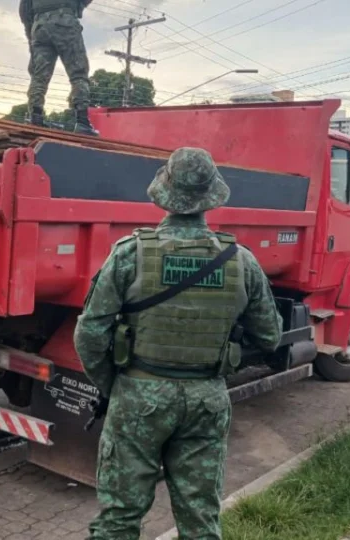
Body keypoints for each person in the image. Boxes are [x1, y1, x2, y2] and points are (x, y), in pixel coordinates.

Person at [74, 147, 283, 539]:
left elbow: (89, 336)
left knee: (119, 519)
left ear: (163, 191)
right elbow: (270, 336)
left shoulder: (129, 255)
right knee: (201, 521)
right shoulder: (241, 262)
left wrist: (115, 387)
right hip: (206, 399)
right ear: (211, 196)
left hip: (138, 396)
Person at [19, 0, 98, 136]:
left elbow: (24, 12)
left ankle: (35, 118)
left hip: (39, 27)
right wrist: (78, 6)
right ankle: (82, 122)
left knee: (39, 76)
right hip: (64, 22)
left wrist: (31, 37)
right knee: (78, 73)